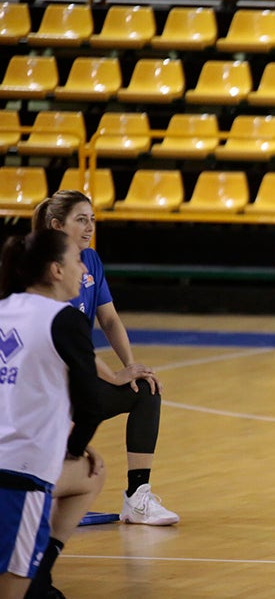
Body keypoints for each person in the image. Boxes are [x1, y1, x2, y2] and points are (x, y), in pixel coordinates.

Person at [33, 191, 178, 526]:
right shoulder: (45, 270)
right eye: (81, 220)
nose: (89, 227)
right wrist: (112, 377)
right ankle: (35, 496)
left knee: (145, 389)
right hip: (46, 387)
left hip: (77, 380)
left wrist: (130, 367)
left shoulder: (91, 261)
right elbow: (68, 345)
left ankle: (137, 497)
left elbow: (109, 320)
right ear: (57, 225)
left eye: (93, 219)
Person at [0, 229, 106, 599]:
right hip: (21, 474)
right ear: (56, 270)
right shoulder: (63, 320)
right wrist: (74, 447)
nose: (83, 268)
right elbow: (92, 401)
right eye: (77, 260)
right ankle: (39, 579)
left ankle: (39, 575)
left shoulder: (3, 310)